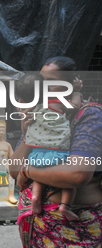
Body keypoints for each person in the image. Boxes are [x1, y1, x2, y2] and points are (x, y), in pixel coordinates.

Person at [10, 56, 102, 247]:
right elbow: (13, 170)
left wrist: (28, 171)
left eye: (51, 83)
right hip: (38, 224)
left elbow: (77, 174)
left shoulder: (88, 115)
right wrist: (27, 133)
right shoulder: (38, 113)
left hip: (75, 227)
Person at [16, 71, 83, 220]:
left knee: (40, 175)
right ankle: (65, 205)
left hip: (37, 150)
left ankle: (35, 198)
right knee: (68, 180)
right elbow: (75, 106)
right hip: (58, 149)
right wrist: (76, 92)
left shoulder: (28, 108)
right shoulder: (56, 103)